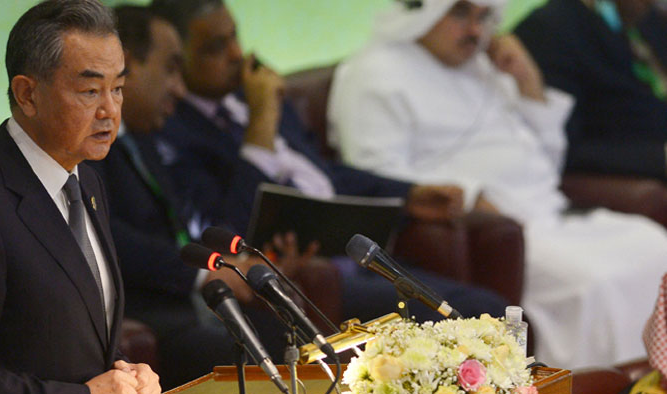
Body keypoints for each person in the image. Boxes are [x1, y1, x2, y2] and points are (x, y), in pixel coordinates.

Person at [327, 0, 667, 369]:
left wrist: (527, 83)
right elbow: (378, 182)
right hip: (501, 231)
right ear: (420, 10)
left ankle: (651, 382)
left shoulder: (482, 68)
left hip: (555, 216)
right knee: (597, 281)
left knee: (656, 246)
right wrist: (471, 198)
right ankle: (601, 388)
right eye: (460, 13)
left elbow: (547, 163)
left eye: (484, 17)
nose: (476, 31)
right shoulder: (372, 74)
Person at [149, 0, 509, 325]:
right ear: (178, 64)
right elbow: (225, 229)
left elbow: (323, 174)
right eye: (215, 48)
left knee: (489, 310)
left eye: (234, 37)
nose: (236, 54)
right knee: (480, 315)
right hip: (309, 275)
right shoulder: (172, 133)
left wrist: (408, 196)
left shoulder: (250, 92)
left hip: (356, 252)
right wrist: (261, 122)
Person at [89, 6, 309, 389]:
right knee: (255, 362)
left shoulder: (144, 138)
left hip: (194, 303)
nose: (179, 87)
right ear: (128, 66)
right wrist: (205, 272)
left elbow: (188, 227)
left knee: (297, 334)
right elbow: (107, 239)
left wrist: (238, 264)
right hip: (148, 314)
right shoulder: (86, 145)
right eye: (171, 68)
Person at [0, 1, 161, 394]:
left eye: (118, 88)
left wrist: (125, 373)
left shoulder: (87, 182)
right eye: (90, 91)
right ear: (27, 94)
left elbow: (78, 335)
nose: (110, 110)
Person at [515, 0, 667, 179]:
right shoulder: (550, 28)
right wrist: (660, 157)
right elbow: (564, 146)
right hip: (637, 174)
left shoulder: (644, 18)